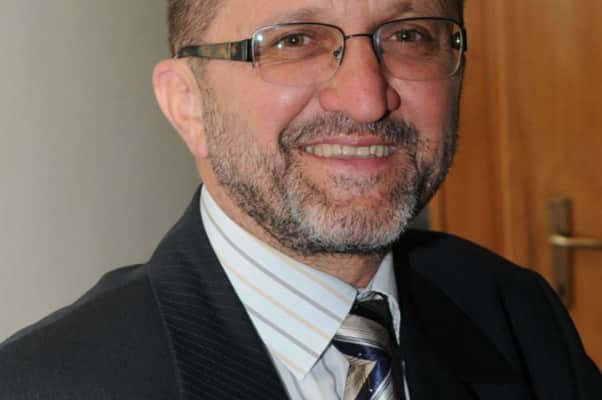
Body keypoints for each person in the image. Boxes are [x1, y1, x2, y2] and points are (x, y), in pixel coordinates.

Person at [1, 0, 600, 399]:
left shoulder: (514, 310)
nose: (367, 99)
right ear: (188, 103)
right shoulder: (44, 385)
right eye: (294, 41)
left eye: (409, 35)